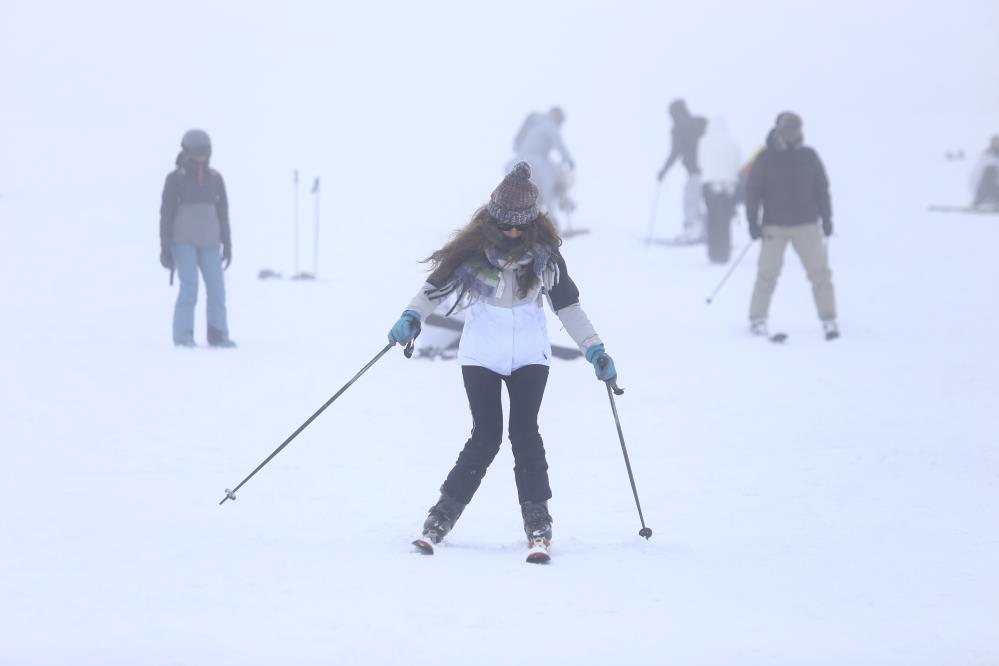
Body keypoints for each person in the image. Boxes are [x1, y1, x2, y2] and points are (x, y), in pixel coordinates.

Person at [389, 162, 616, 563]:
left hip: (530, 356)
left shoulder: (545, 259)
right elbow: (432, 290)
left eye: (519, 228)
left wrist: (595, 349)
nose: (512, 234)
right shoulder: (473, 253)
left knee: (525, 433)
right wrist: (411, 318)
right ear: (494, 222)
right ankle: (440, 518)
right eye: (505, 227)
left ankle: (538, 524)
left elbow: (569, 308)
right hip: (480, 356)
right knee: (486, 436)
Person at [745, 112, 839, 340]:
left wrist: (827, 219)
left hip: (806, 224)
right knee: (767, 273)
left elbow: (822, 189)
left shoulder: (809, 156)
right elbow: (753, 190)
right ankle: (758, 318)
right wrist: (752, 222)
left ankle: (829, 319)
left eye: (796, 129)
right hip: (774, 226)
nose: (792, 133)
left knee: (820, 274)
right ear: (778, 130)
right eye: (788, 129)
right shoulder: (765, 157)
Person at [159, 129, 236, 348]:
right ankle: (183, 336)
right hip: (183, 242)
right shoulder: (174, 180)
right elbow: (166, 214)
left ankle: (218, 333)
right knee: (189, 287)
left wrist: (227, 244)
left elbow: (223, 212)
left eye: (204, 153)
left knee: (217, 289)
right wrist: (165, 246)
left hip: (210, 242)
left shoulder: (215, 179)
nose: (201, 158)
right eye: (197, 154)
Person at [508, 107, 576, 230]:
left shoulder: (537, 124)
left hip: (519, 161)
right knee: (548, 186)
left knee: (531, 195)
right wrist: (569, 159)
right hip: (535, 161)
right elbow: (559, 144)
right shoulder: (549, 124)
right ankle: (553, 217)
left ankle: (532, 221)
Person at [657, 99, 708, 242]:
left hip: (695, 172)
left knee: (690, 201)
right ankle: (705, 231)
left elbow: (675, 152)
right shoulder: (701, 122)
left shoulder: (678, 129)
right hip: (711, 171)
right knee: (706, 202)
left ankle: (693, 232)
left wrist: (663, 171)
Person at [698, 118, 742, 263]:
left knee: (712, 219)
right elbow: (737, 164)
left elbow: (700, 162)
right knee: (725, 220)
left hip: (710, 184)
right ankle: (724, 253)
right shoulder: (732, 142)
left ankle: (713, 253)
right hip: (729, 186)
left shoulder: (704, 141)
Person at [969, 135, 999, 209]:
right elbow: (975, 175)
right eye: (995, 142)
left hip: (993, 189)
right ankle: (981, 199)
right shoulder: (986, 156)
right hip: (982, 189)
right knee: (991, 170)